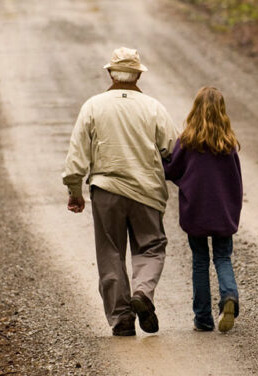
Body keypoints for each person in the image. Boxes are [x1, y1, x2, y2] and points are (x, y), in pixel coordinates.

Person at [62, 47, 180, 336]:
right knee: (151, 247)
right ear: (139, 74)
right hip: (147, 193)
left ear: (109, 73)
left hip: (106, 191)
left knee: (110, 253)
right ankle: (142, 293)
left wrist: (75, 190)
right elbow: (174, 150)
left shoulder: (93, 106)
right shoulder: (153, 107)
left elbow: (76, 156)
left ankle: (121, 320)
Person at [164, 87, 243, 332]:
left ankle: (203, 319)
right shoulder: (228, 145)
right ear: (222, 113)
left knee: (200, 260)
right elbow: (236, 182)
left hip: (196, 211)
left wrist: (160, 157)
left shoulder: (187, 142)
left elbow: (172, 171)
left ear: (195, 110)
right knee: (222, 257)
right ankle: (229, 296)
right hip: (222, 212)